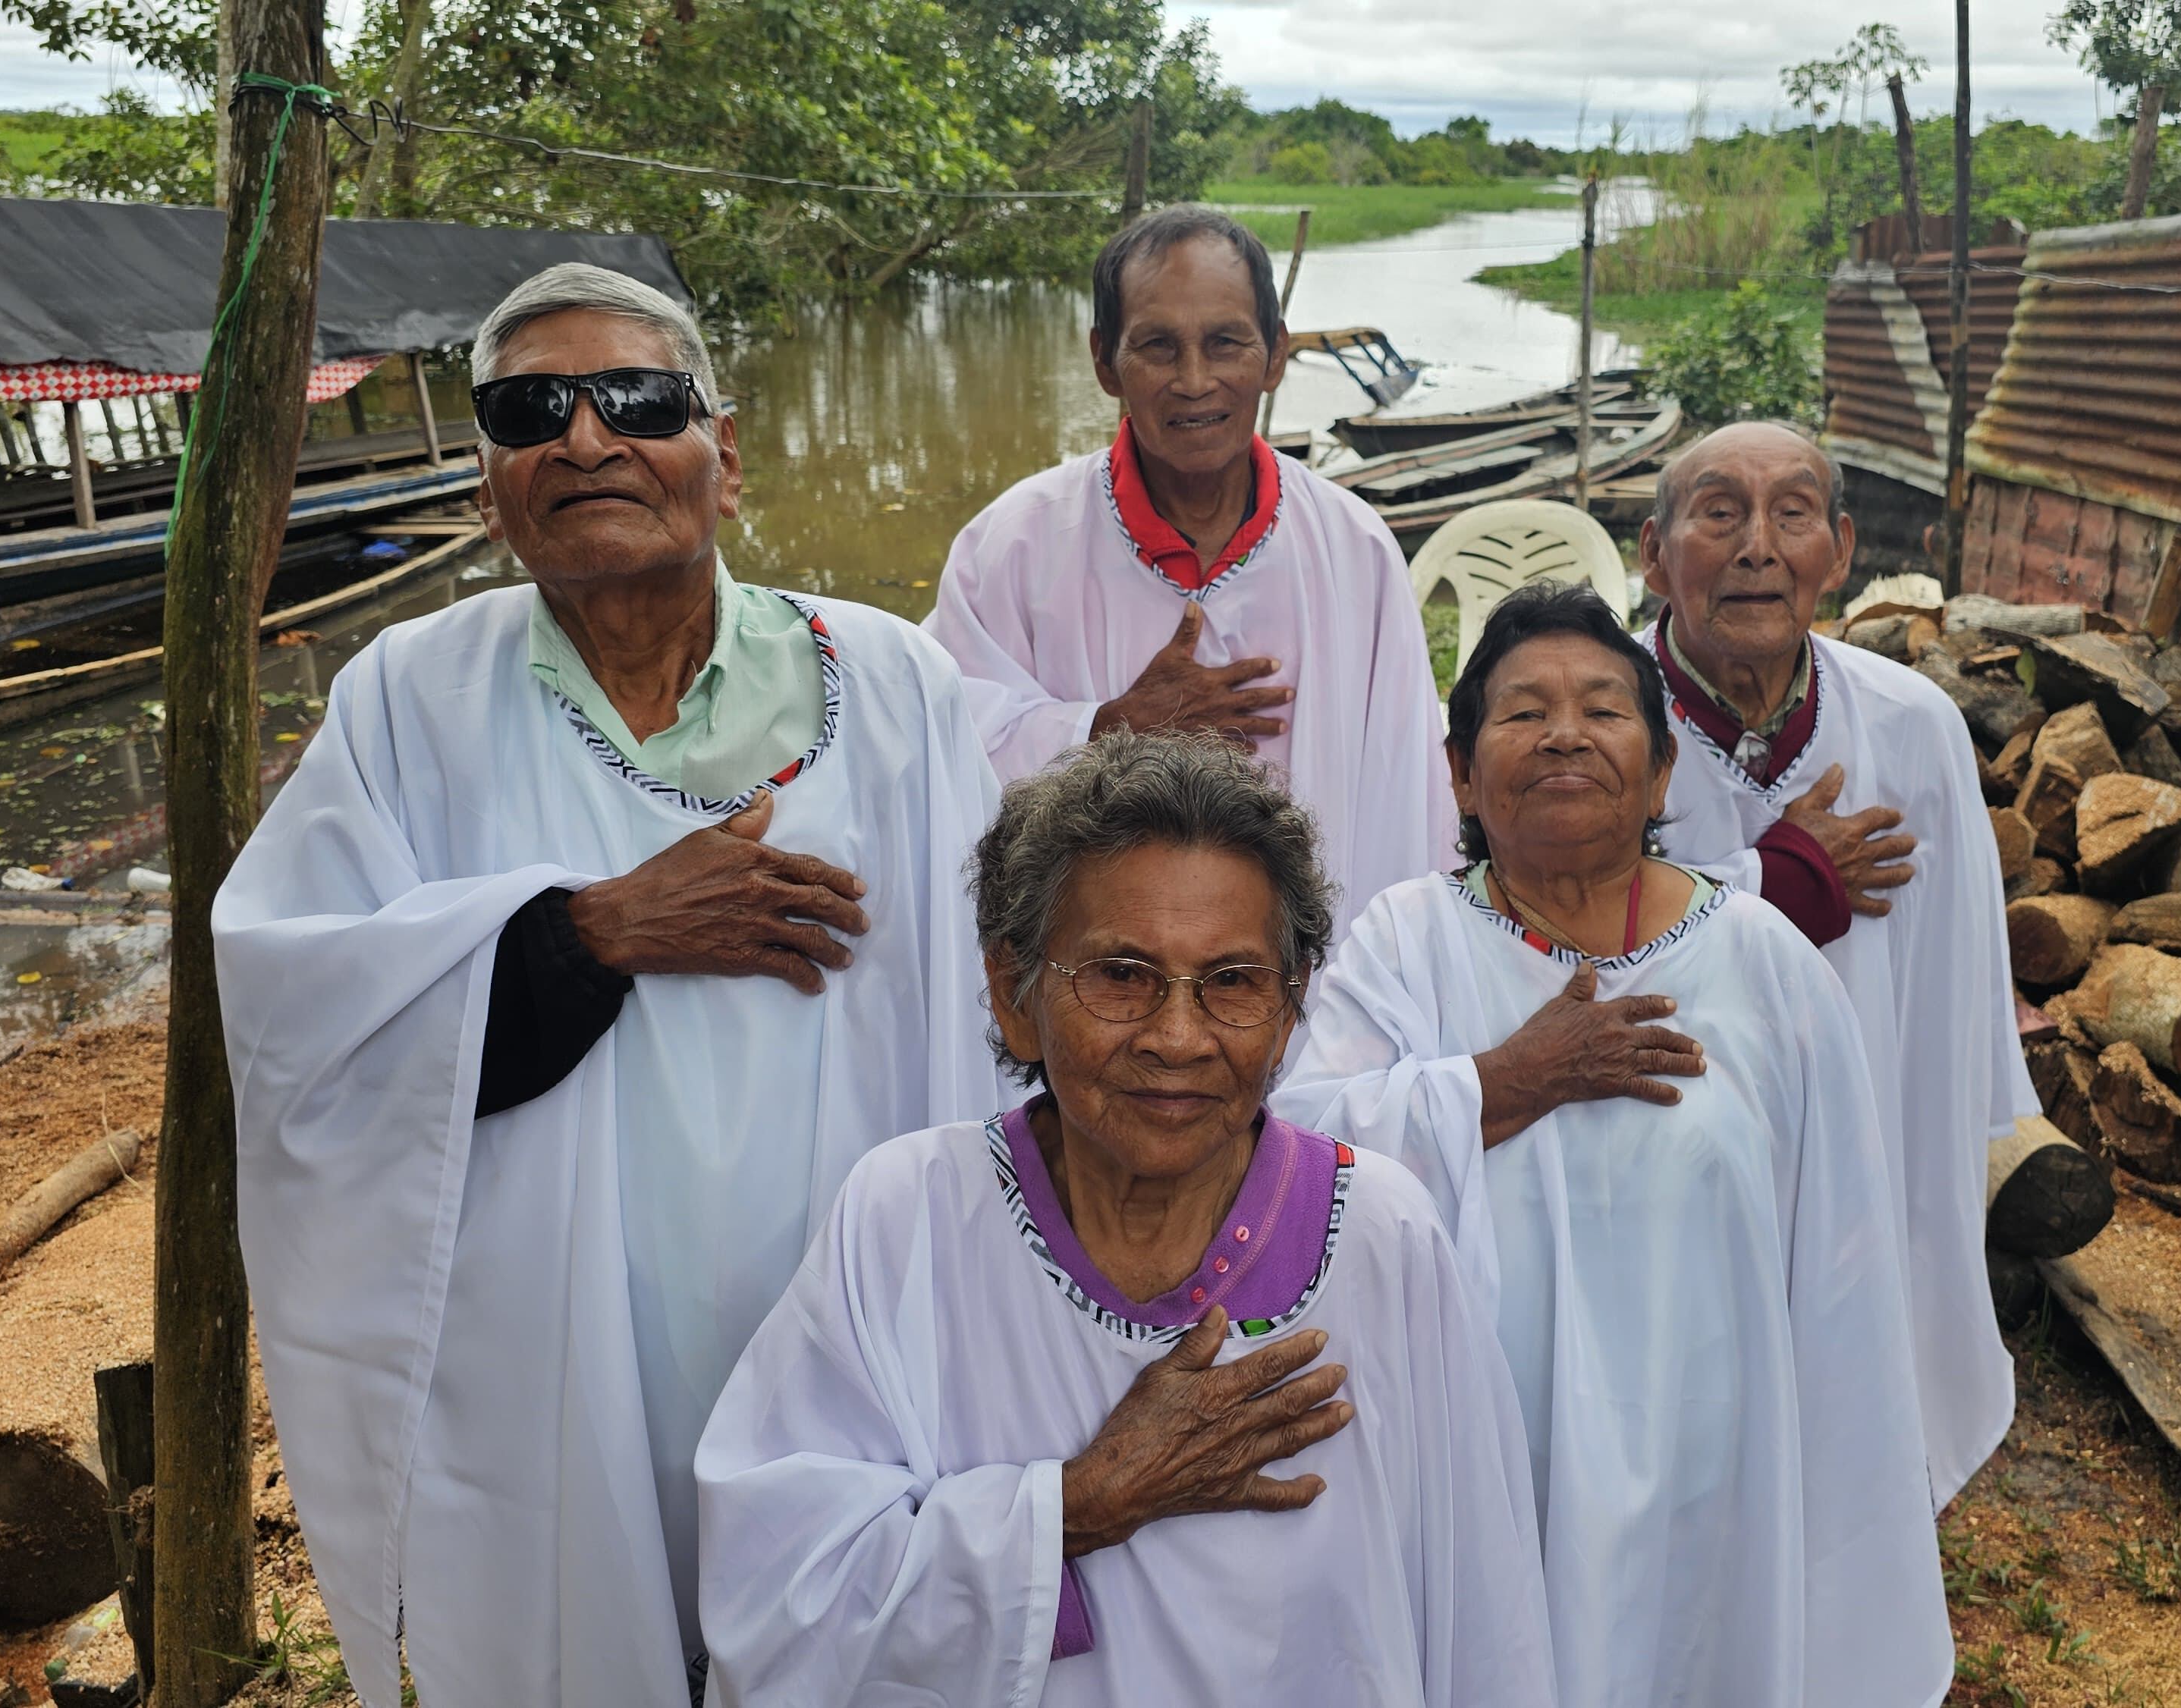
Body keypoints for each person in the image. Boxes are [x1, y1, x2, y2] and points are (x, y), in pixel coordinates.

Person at [215, 262, 1001, 1706]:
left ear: (728, 453)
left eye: (638, 400)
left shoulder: (895, 686)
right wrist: (593, 931)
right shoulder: (405, 699)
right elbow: (296, 1027)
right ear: (487, 483)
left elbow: (996, 997)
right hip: (558, 1350)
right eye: (531, 410)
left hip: (851, 1303)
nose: (586, 439)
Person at [693, 732, 1557, 1706]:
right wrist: (1080, 1502)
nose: (1178, 1036)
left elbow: (1487, 1621)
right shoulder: (910, 1214)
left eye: (1232, 981)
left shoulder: (1379, 1232)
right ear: (1013, 993)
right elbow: (776, 1592)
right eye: (1121, 974)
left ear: (1289, 1008)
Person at [1275, 582, 1953, 1708]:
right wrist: (1505, 1082)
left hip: (1715, 1468)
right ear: (1460, 773)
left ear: (1661, 771)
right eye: (1522, 712)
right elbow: (1296, 1152)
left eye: (1602, 708)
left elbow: (1841, 1262)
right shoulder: (1405, 943)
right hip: (1486, 1470)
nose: (1564, 736)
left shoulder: (1764, 962)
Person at [1641, 421, 2032, 1505]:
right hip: (1661, 1151)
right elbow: (1559, 949)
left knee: (1850, 1443)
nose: (1758, 547)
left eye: (1793, 514)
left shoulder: (1913, 729)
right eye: (1718, 513)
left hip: (1860, 1143)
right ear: (1653, 550)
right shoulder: (1595, 726)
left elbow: (1947, 992)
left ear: (1842, 549)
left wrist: (1933, 1171)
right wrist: (1769, 880)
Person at [924, 205, 1449, 918]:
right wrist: (1107, 729)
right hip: (1094, 969)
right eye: (1159, 347)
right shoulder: (1012, 548)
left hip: (1317, 986)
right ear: (1106, 362)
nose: (1195, 381)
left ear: (1276, 357)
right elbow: (938, 749)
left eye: (1226, 342)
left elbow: (1407, 796)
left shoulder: (1354, 550)